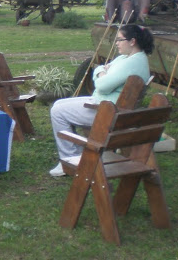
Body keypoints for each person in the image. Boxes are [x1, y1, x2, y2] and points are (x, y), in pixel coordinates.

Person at [49, 24, 154, 177]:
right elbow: (103, 68)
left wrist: (100, 73)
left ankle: (69, 158)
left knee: (57, 111)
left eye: (120, 40)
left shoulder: (132, 63)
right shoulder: (128, 58)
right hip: (107, 105)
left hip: (107, 111)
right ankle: (75, 155)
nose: (116, 43)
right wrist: (101, 72)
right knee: (59, 104)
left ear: (132, 41)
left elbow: (102, 85)